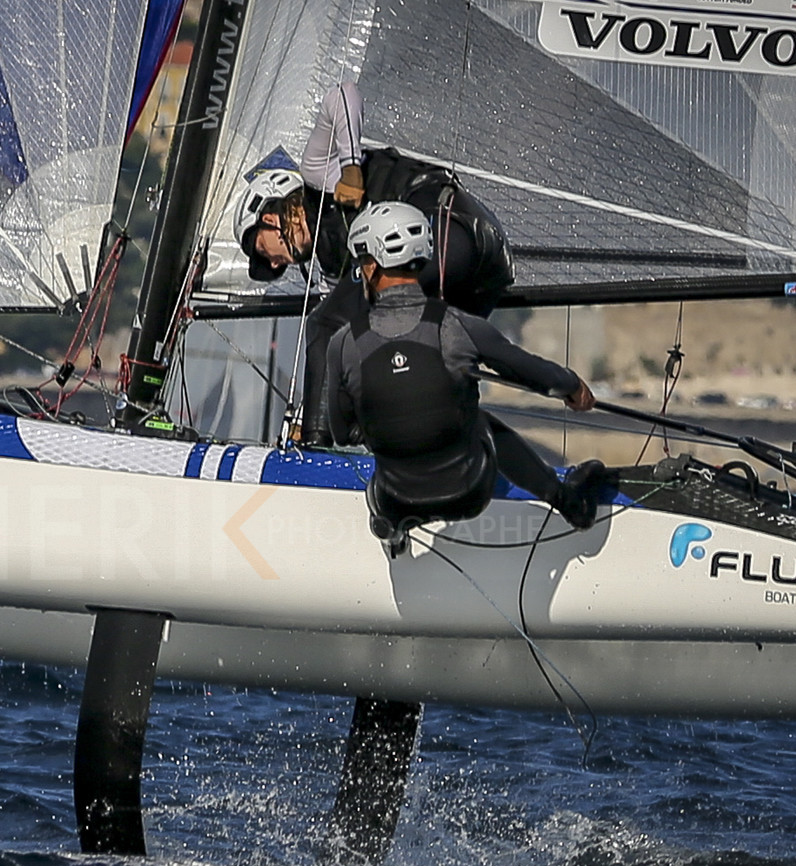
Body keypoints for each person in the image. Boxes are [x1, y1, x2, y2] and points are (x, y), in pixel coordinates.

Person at [235, 81, 516, 442]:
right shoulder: (338, 271)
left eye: (261, 251)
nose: (274, 265)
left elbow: (342, 95)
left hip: (448, 229)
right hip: (484, 268)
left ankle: (316, 445)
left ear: (269, 212)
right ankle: (526, 477)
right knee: (427, 374)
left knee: (325, 324)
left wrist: (351, 168)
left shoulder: (318, 175)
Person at [324, 202, 606, 552]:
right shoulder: (457, 326)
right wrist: (572, 386)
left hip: (397, 499)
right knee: (478, 419)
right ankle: (570, 503)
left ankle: (393, 530)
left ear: (373, 263)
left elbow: (342, 431)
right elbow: (530, 370)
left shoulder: (343, 344)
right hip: (469, 494)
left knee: (386, 475)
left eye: (361, 262)